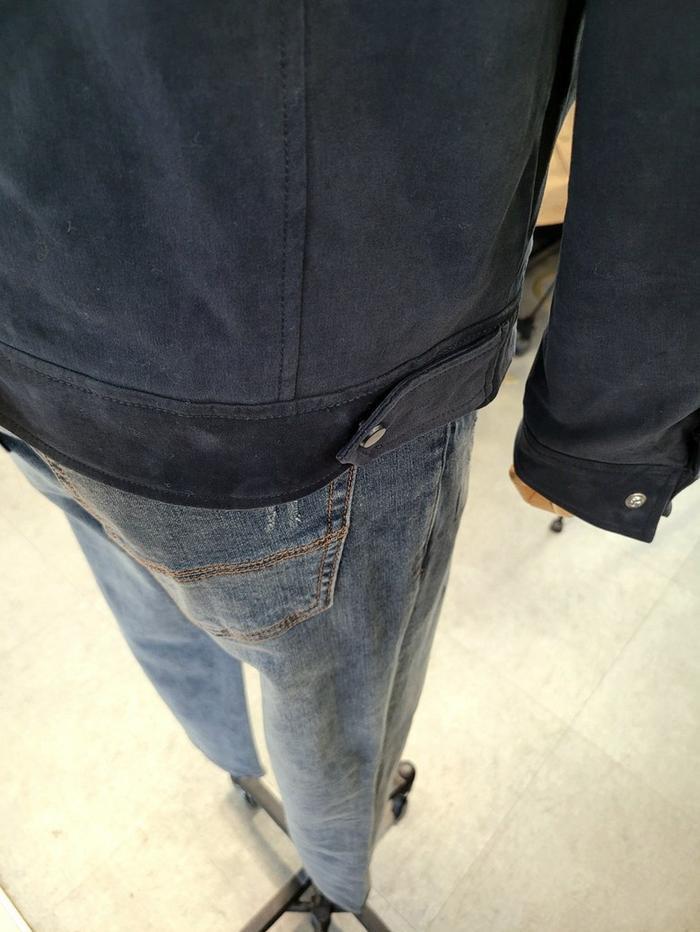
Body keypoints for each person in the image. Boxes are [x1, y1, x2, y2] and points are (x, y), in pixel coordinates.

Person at [0, 0, 697, 914]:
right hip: (329, 406)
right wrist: (603, 430)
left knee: (154, 607)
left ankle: (229, 759)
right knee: (334, 716)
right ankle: (335, 878)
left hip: (34, 344)